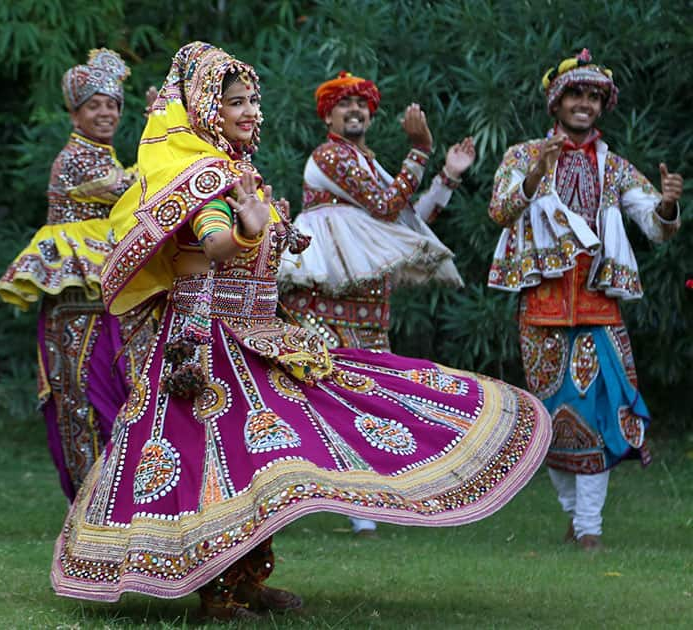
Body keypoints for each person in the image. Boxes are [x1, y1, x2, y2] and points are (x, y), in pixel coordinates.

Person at [50, 42, 552, 620]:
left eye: (253, 103)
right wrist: (251, 230)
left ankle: (245, 580)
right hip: (204, 342)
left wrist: (272, 238)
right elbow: (211, 246)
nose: (250, 113)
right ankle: (215, 590)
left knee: (265, 458)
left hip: (255, 334)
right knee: (217, 461)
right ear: (204, 108)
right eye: (234, 102)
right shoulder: (201, 177)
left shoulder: (238, 172)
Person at [487, 49, 682, 550]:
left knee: (602, 417)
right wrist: (536, 176)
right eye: (576, 93)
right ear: (557, 102)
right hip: (543, 310)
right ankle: (575, 517)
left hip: (599, 308)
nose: (585, 103)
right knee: (552, 424)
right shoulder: (522, 155)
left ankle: (590, 529)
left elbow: (654, 226)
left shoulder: (614, 167)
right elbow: (499, 210)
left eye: (594, 97)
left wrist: (667, 205)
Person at [278, 72, 476, 536]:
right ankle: (347, 504)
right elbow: (389, 206)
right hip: (323, 302)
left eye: (361, 105)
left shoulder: (368, 165)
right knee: (326, 394)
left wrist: (447, 176)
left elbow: (409, 222)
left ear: (371, 115)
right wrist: (420, 150)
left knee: (369, 396)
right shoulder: (329, 157)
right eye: (343, 105)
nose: (354, 111)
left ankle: (366, 500)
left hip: (369, 306)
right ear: (328, 115)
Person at [0, 49, 155, 501]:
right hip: (77, 312)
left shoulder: (102, 155)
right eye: (94, 105)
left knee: (115, 398)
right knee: (84, 402)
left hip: (101, 308)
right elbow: (138, 188)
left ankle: (114, 502)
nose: (105, 113)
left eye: (112, 105)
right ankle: (94, 504)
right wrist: (165, 130)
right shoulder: (79, 160)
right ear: (75, 112)